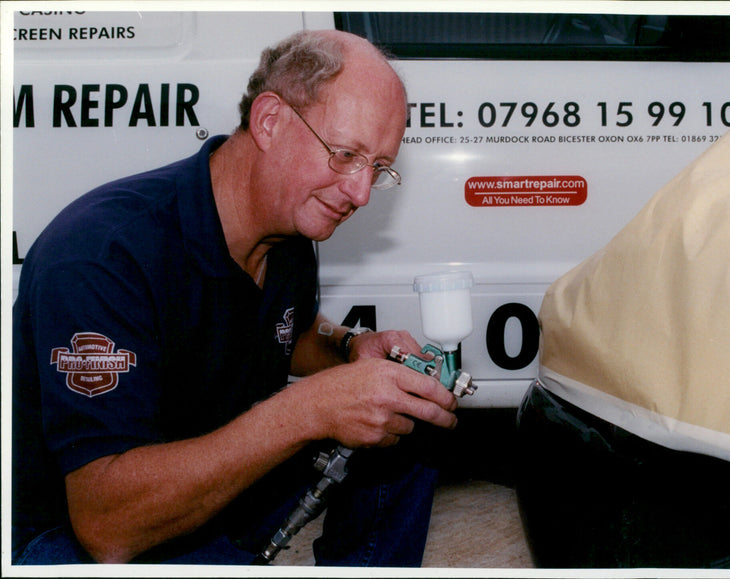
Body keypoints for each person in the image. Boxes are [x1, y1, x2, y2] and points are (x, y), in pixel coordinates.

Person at [12, 29, 459, 566]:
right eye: (345, 155)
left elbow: (285, 330)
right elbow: (107, 528)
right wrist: (307, 411)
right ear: (270, 120)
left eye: (380, 169)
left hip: (217, 479)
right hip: (83, 529)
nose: (361, 194)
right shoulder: (104, 254)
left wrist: (350, 348)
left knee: (409, 420)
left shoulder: (289, 234)